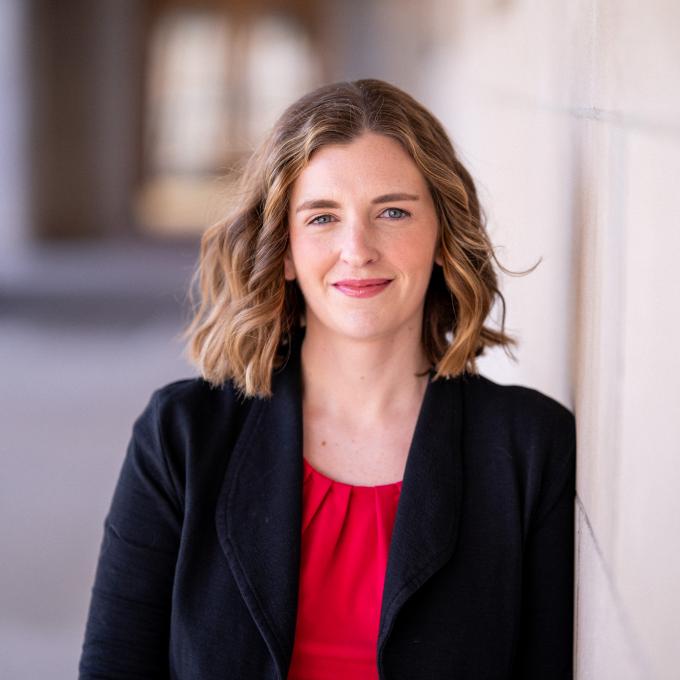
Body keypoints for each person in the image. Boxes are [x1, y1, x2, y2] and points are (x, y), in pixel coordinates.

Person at [79, 79, 576, 680]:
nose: (357, 249)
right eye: (322, 217)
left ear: (443, 237)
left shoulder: (530, 446)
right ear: (284, 251)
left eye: (392, 212)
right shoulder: (182, 437)